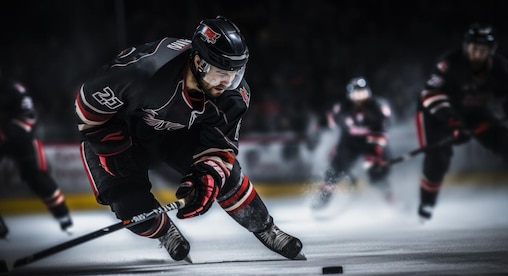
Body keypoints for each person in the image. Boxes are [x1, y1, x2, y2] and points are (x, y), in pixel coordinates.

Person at [74, 16, 304, 262]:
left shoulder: (233, 96)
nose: (227, 83)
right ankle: (165, 232)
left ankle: (266, 228)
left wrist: (206, 177)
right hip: (123, 134)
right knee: (128, 205)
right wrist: (112, 147)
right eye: (220, 73)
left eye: (235, 73)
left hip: (175, 134)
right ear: (197, 61)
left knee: (226, 178)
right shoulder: (145, 72)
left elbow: (219, 147)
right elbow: (88, 105)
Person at [414, 23, 508, 222]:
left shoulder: (503, 68)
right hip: (438, 114)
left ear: (491, 51)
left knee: (506, 142)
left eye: (483, 50)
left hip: (473, 112)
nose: (478, 54)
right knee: (437, 159)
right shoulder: (449, 64)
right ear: (466, 46)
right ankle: (426, 202)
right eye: (474, 48)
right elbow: (429, 95)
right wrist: (452, 122)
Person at [0, 73, 73, 236]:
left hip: (23, 137)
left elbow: (28, 115)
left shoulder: (13, 89)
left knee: (36, 175)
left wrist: (10, 132)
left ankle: (62, 214)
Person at [311, 76, 393, 210]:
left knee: (378, 176)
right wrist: (320, 125)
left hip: (373, 143)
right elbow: (327, 120)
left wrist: (375, 153)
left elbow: (382, 132)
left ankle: (391, 199)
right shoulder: (341, 108)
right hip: (349, 143)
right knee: (333, 172)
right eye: (356, 94)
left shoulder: (379, 107)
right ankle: (323, 199)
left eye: (362, 93)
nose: (360, 98)